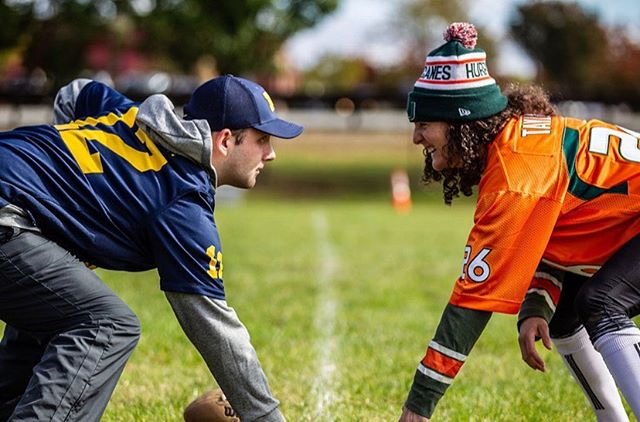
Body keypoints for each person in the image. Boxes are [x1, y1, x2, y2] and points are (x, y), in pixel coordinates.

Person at [0, 74, 302, 421]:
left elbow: (77, 91)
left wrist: (59, 198)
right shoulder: (182, 201)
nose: (272, 153)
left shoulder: (133, 115)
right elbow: (216, 330)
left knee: (58, 304)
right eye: (262, 139)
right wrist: (265, 416)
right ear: (224, 141)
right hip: (6, 211)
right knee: (106, 325)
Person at [397, 21, 640, 421]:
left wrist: (418, 407)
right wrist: (536, 304)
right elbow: (559, 231)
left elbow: (470, 304)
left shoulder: (514, 174)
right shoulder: (520, 143)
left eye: (424, 124)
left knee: (602, 302)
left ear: (461, 126)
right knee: (564, 311)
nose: (416, 139)